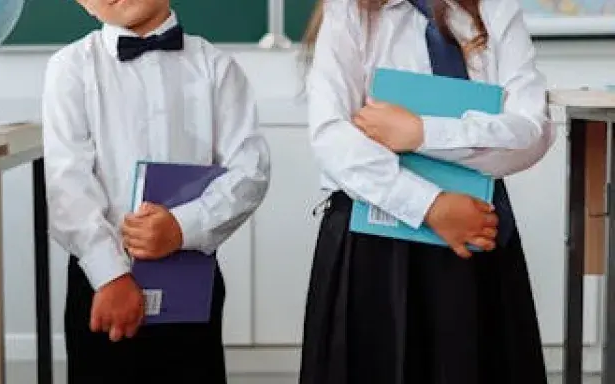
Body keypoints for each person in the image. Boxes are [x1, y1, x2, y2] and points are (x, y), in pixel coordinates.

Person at [300, 0, 553, 383]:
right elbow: (333, 138)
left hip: (473, 232)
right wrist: (430, 206)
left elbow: (530, 133)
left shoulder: (494, 9)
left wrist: (420, 134)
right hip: (375, 242)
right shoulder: (350, 11)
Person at [40, 0, 271, 382]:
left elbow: (250, 172)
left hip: (191, 273)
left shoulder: (217, 68)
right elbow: (67, 184)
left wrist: (182, 227)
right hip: (101, 281)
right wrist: (110, 275)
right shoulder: (71, 68)